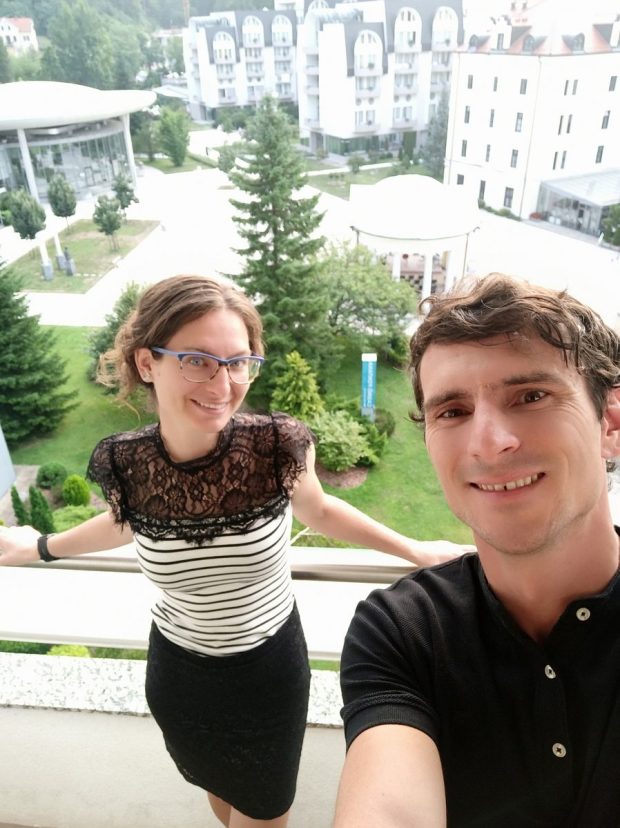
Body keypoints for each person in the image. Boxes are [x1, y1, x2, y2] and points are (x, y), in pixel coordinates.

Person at [0, 274, 467, 828]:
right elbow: (125, 522)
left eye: (238, 362)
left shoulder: (275, 446)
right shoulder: (126, 463)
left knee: (263, 814)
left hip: (267, 674)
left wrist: (414, 550)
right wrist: (42, 547)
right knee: (220, 792)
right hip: (179, 675)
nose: (223, 384)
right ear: (147, 362)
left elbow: (320, 510)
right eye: (198, 360)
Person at [335, 273, 620, 828]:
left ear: (609, 422)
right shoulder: (403, 632)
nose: (489, 443)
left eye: (531, 396)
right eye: (452, 412)